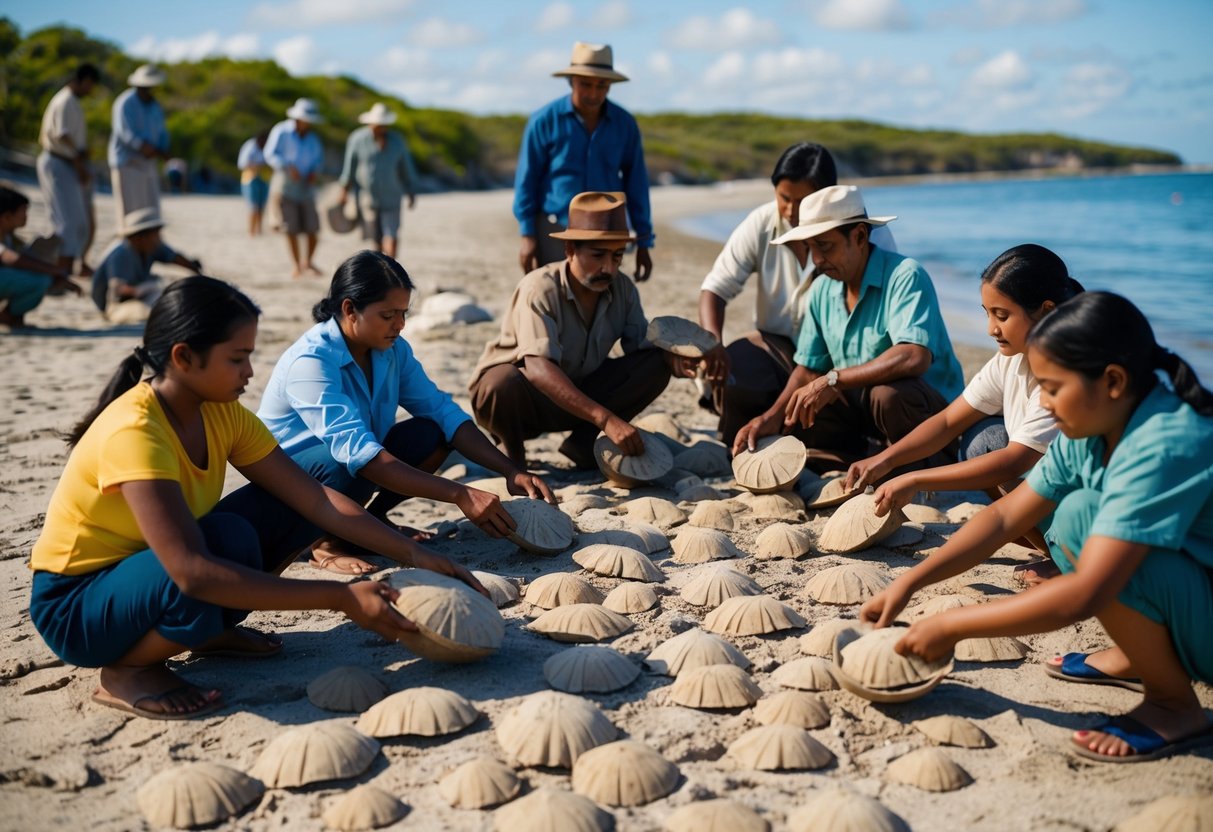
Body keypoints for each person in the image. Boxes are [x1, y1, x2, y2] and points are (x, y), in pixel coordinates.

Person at [28, 276, 482, 720]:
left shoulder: (223, 412)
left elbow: (317, 501)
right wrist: (340, 598)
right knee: (214, 555)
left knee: (252, 524)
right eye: (237, 359)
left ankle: (205, 633)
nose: (249, 372)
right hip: (77, 606)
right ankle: (126, 671)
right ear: (184, 358)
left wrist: (412, 552)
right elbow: (192, 572)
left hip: (148, 572)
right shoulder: (136, 431)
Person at [861, 292, 1213, 763]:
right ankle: (1141, 656)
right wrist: (909, 582)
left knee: (1084, 517)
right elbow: (1005, 517)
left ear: (1112, 381)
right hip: (1193, 593)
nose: (1042, 403)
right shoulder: (1091, 429)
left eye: (1051, 387)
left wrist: (951, 626)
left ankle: (1174, 707)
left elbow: (1085, 592)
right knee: (1074, 516)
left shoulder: (1164, 442)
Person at [258, 250, 556, 575]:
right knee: (347, 464)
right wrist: (461, 494)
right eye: (388, 315)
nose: (399, 325)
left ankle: (370, 523)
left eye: (403, 313)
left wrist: (510, 470)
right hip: (293, 485)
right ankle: (327, 543)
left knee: (432, 432)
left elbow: (443, 412)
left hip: (352, 465)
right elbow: (359, 454)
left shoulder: (392, 349)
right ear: (349, 310)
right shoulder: (312, 361)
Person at [845, 244, 1083, 582]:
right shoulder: (1010, 358)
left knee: (993, 450)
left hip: (1091, 508)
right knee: (980, 439)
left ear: (1046, 311)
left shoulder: (1065, 375)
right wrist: (886, 460)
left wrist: (915, 478)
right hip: (1050, 491)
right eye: (987, 313)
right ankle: (1051, 547)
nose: (990, 329)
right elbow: (946, 421)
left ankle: (1070, 558)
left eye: (1002, 315)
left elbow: (1014, 461)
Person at [732, 185, 964, 474]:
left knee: (887, 394)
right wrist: (771, 417)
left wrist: (834, 379)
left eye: (825, 246)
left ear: (859, 236)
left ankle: (921, 465)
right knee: (805, 400)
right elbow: (807, 368)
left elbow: (914, 356)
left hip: (935, 424)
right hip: (865, 417)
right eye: (810, 247)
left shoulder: (905, 276)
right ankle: (864, 457)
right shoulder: (820, 290)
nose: (816, 259)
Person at [471, 191, 698, 468]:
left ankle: (583, 446)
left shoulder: (622, 288)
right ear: (570, 251)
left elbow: (641, 347)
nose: (608, 268)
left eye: (617, 257)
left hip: (578, 396)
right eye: (598, 255)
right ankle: (511, 454)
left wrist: (679, 358)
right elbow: (538, 369)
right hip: (521, 403)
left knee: (657, 362)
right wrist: (607, 419)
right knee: (501, 382)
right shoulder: (539, 287)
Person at [699, 143, 896, 443]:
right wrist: (712, 342)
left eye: (802, 201)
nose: (791, 211)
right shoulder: (762, 223)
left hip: (843, 360)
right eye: (784, 198)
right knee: (739, 363)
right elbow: (715, 287)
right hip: (780, 350)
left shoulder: (869, 239)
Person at [513, 42, 654, 281]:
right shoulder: (543, 121)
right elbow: (527, 181)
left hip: (607, 231)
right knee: (553, 299)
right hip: (554, 228)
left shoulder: (625, 124)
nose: (594, 93)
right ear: (571, 81)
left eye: (602, 85)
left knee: (601, 301)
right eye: (585, 84)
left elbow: (637, 184)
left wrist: (644, 241)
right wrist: (527, 235)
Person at [36, 63, 100, 277]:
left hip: (65, 164)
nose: (90, 91)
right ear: (85, 81)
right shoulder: (65, 101)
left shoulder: (70, 101)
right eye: (90, 85)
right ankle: (58, 272)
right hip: (59, 162)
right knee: (66, 222)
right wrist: (79, 163)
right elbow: (62, 136)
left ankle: (68, 268)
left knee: (76, 220)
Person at [90, 208, 202, 324]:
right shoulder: (122, 253)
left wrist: (194, 268)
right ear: (139, 237)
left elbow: (173, 257)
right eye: (155, 234)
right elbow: (118, 290)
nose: (159, 238)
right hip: (115, 306)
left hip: (138, 298)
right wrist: (143, 289)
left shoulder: (150, 247)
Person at [338, 103, 417, 259]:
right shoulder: (357, 139)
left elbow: (406, 167)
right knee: (375, 237)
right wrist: (344, 191)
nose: (380, 128)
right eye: (377, 125)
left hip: (392, 195)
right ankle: (382, 269)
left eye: (383, 125)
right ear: (370, 123)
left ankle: (392, 269)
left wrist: (411, 190)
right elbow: (349, 167)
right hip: (367, 197)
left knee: (391, 233)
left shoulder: (397, 141)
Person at [0, 187, 82, 328]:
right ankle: (8, 316)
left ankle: (12, 316)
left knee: (41, 275)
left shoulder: (10, 237)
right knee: (40, 280)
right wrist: (55, 271)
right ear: (7, 217)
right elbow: (11, 258)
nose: (26, 216)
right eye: (23, 211)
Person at [265, 98, 325, 277]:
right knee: (290, 228)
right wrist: (287, 166)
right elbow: (270, 154)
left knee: (313, 228)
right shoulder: (281, 130)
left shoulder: (314, 138)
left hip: (307, 186)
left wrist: (315, 171)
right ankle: (297, 265)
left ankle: (308, 262)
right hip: (285, 184)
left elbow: (319, 160)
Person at [108, 64, 170, 223]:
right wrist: (145, 147)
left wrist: (163, 150)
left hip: (148, 164)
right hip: (128, 163)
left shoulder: (155, 106)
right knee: (129, 213)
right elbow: (125, 133)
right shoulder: (125, 102)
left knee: (151, 211)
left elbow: (162, 132)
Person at [238, 131, 271, 237]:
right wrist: (257, 166)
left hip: (264, 179)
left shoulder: (267, 147)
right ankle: (251, 231)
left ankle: (259, 230)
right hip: (250, 178)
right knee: (253, 207)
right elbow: (242, 163)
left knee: (262, 206)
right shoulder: (250, 146)